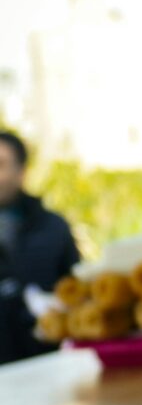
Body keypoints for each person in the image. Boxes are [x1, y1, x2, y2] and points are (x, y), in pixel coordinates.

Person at [0, 131, 80, 363]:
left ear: (21, 172)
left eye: (2, 164)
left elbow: (74, 289)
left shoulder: (53, 227)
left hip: (48, 363)